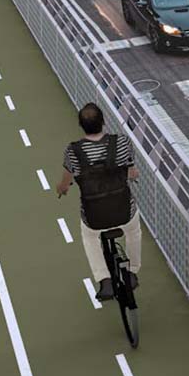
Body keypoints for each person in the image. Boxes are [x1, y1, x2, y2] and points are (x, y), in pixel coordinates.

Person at [56, 104, 141, 301]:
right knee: (133, 231)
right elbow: (131, 170)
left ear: (81, 125)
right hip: (123, 210)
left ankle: (104, 280)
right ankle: (132, 271)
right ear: (103, 121)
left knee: (90, 238)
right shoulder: (122, 142)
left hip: (94, 216)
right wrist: (132, 175)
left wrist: (62, 188)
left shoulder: (73, 151)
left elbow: (66, 180)